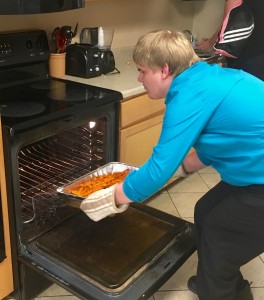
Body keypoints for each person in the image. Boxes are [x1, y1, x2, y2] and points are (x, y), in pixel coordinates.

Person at [80, 29, 264, 300]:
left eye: (143, 71)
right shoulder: (205, 76)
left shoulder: (189, 96)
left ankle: (219, 289)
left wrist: (112, 198)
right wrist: (181, 167)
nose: (140, 78)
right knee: (205, 210)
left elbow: (158, 169)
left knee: (219, 236)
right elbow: (224, 140)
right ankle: (218, 283)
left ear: (164, 70)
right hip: (254, 175)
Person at [196, 0, 264, 81]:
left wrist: (209, 43)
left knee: (242, 91)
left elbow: (228, 22)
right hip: (258, 56)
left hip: (247, 58)